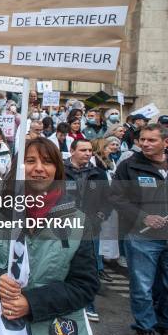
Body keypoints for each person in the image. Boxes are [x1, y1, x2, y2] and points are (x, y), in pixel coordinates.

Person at [0, 137, 99, 335]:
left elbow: (85, 285)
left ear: (57, 169)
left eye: (47, 161)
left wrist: (31, 303)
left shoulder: (78, 220)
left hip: (53, 331)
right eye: (30, 161)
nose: (39, 168)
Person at [109, 124, 168, 335]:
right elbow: (116, 197)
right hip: (141, 238)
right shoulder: (129, 166)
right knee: (142, 287)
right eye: (142, 139)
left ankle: (165, 325)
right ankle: (144, 329)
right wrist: (143, 217)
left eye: (151, 140)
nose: (144, 143)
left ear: (166, 143)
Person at [63, 138, 111, 322]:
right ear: (72, 151)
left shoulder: (98, 173)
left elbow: (108, 199)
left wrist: (100, 216)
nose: (88, 153)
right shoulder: (61, 171)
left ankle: (88, 305)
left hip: (90, 227)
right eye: (83, 150)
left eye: (90, 150)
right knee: (63, 264)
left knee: (88, 267)